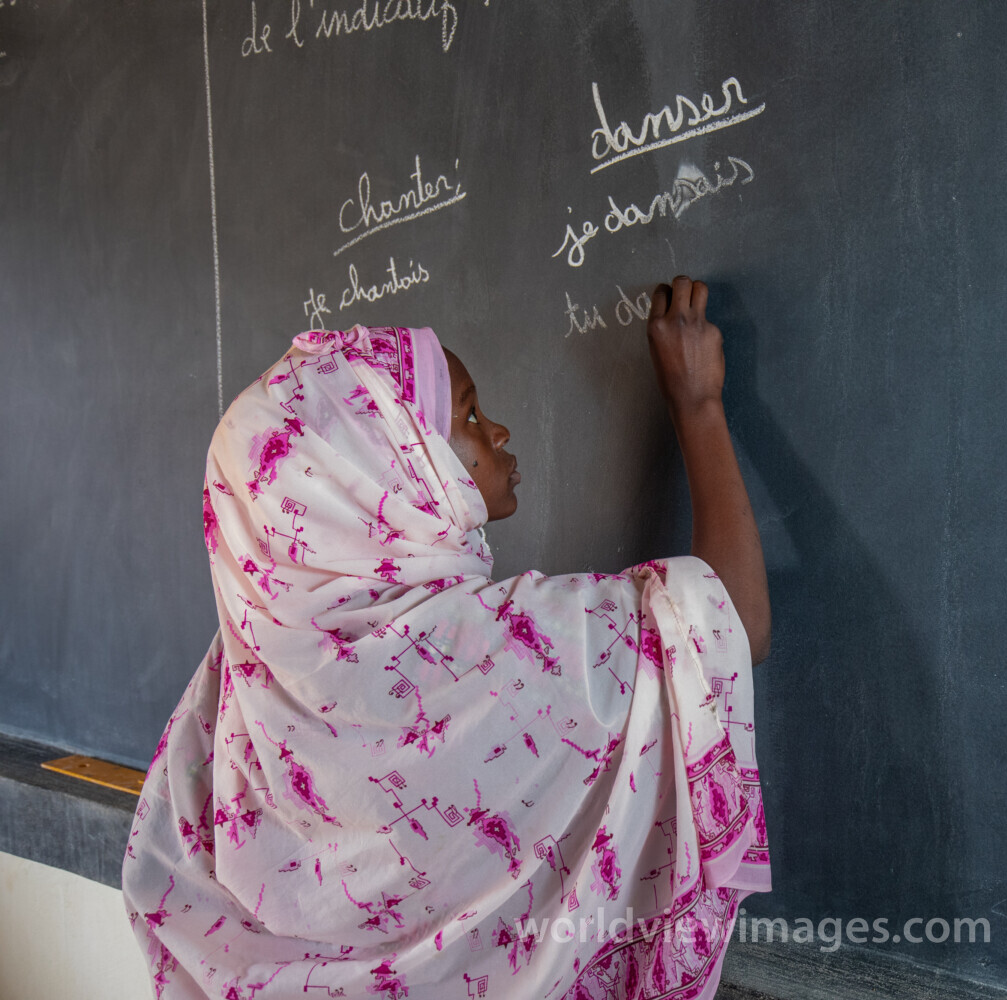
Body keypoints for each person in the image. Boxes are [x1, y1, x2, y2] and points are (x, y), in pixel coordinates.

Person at [122, 277, 771, 999]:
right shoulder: (501, 656)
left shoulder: (244, 685)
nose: (497, 433)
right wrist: (698, 405)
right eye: (466, 414)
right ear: (385, 476)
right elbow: (732, 621)